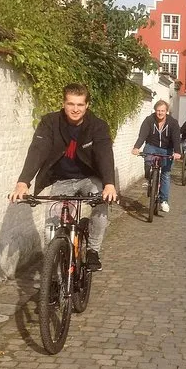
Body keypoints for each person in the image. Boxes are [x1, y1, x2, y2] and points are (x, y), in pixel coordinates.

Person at [8, 83, 118, 272]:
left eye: (80, 104)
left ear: (87, 105)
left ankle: (93, 250)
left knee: (101, 202)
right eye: (71, 104)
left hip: (89, 178)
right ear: (63, 103)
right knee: (51, 226)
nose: (75, 109)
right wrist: (23, 182)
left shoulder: (98, 126)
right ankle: (53, 273)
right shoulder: (50, 123)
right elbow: (38, 150)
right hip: (62, 179)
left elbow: (104, 153)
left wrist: (109, 184)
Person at [131, 100, 181, 212]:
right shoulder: (149, 120)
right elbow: (142, 135)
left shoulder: (173, 122)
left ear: (166, 111)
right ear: (155, 110)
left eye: (162, 111)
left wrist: (177, 152)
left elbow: (176, 138)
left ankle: (164, 201)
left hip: (166, 149)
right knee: (148, 163)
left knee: (166, 174)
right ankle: (150, 179)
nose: (160, 113)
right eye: (158, 110)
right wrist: (136, 147)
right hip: (152, 146)